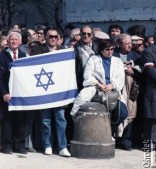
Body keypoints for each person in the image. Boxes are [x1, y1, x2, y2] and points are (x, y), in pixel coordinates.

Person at [70, 39, 128, 134]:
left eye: (112, 49)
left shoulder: (118, 61)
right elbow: (87, 75)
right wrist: (99, 84)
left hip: (112, 91)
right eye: (107, 49)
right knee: (77, 107)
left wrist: (112, 85)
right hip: (95, 89)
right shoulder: (93, 59)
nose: (110, 52)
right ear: (101, 50)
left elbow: (121, 78)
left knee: (123, 113)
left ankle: (108, 132)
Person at [31, 26, 71, 157]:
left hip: (59, 91)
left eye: (55, 37)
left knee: (61, 119)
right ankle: (47, 145)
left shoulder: (64, 51)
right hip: (44, 90)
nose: (53, 39)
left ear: (59, 38)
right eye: (50, 36)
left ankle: (62, 146)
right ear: (45, 37)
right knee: (45, 120)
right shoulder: (37, 50)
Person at [0, 31, 27, 154]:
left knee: (21, 120)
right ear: (8, 41)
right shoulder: (2, 56)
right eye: (11, 39)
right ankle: (7, 146)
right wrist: (4, 92)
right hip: (7, 94)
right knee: (7, 121)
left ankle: (20, 146)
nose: (14, 41)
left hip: (20, 94)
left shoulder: (24, 56)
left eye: (16, 39)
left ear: (20, 42)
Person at [74, 25, 95, 91]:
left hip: (95, 79)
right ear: (80, 34)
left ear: (92, 35)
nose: (86, 36)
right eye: (84, 34)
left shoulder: (97, 47)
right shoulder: (74, 48)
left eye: (89, 34)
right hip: (81, 80)